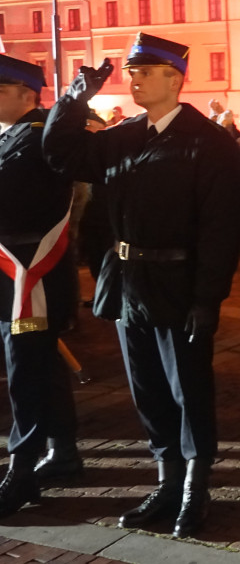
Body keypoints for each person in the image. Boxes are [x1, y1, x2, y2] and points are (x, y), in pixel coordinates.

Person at [42, 33, 240, 538]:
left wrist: (208, 298)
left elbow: (222, 229)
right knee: (149, 391)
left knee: (188, 391)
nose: (133, 79)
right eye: (132, 72)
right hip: (131, 283)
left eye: (144, 72)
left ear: (174, 79)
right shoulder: (124, 135)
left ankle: (195, 488)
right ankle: (167, 480)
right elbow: (60, 153)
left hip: (180, 283)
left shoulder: (209, 142)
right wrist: (74, 99)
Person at [0, 55, 79, 517]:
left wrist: (71, 104)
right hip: (15, 275)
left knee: (26, 374)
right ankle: (64, 452)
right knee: (40, 368)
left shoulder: (38, 137)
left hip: (32, 275)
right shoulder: (12, 136)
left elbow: (18, 199)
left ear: (27, 95)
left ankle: (22, 469)